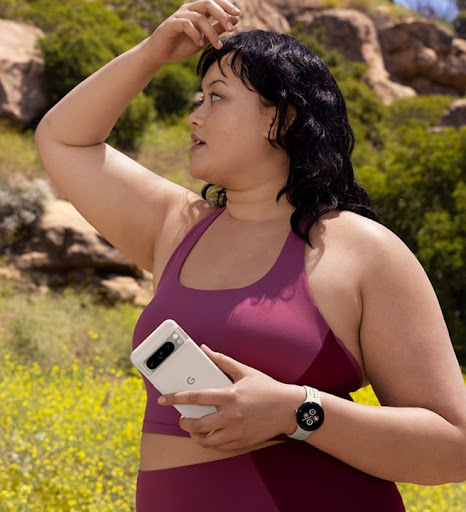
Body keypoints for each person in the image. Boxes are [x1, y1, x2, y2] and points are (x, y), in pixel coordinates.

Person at [35, 1, 466, 510]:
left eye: (216, 97)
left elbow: (454, 447)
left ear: (281, 119)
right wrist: (152, 54)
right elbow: (63, 140)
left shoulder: (362, 249)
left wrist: (296, 411)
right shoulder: (178, 227)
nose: (194, 115)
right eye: (198, 97)